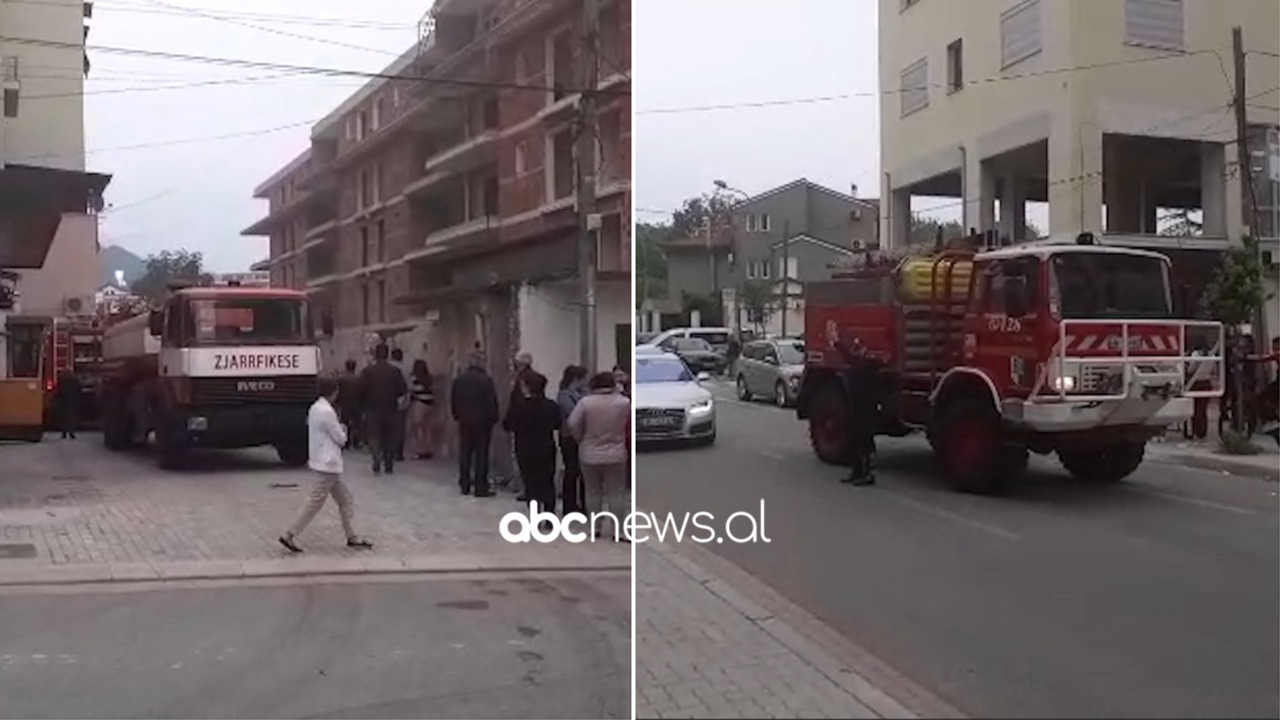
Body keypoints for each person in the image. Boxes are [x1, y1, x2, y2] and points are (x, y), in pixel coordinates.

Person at [278, 377, 373, 553]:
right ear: (334, 392)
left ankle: (352, 536)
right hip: (328, 464)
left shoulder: (315, 408)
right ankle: (290, 534)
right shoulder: (328, 412)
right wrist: (343, 428)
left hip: (322, 462)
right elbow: (341, 439)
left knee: (345, 499)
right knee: (315, 503)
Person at [567, 372, 631, 541]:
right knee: (616, 492)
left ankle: (595, 527)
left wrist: (580, 438)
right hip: (616, 451)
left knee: (593, 491)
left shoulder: (585, 403)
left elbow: (573, 423)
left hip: (589, 451)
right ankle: (619, 530)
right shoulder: (623, 402)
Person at [502, 371, 561, 520]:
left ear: (527, 387)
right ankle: (549, 516)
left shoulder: (519, 406)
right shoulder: (551, 405)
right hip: (546, 447)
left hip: (525, 447)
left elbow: (507, 425)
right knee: (547, 482)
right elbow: (557, 424)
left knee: (530, 483)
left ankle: (535, 515)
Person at [833, 330, 880, 486]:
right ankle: (856, 472)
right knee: (854, 441)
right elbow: (849, 359)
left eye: (859, 348)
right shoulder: (858, 364)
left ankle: (867, 474)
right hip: (855, 408)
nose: (857, 351)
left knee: (864, 442)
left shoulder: (868, 365)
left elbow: (851, 359)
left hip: (865, 410)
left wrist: (838, 344)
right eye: (856, 348)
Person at [451, 350, 499, 497]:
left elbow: (453, 401)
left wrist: (458, 416)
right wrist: (493, 418)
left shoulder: (459, 380)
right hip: (483, 423)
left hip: (464, 421)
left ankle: (464, 484)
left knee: (465, 452)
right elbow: (492, 403)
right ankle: (480, 486)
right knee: (481, 454)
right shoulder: (485, 380)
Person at [359, 343, 408, 475]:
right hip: (390, 408)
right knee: (389, 436)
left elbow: (361, 390)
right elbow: (403, 389)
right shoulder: (394, 371)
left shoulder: (367, 371)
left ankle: (376, 457)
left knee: (374, 435)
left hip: (372, 408)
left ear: (375, 354)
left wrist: (363, 405)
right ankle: (388, 464)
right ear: (387, 354)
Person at [556, 365, 589, 515]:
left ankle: (583, 503)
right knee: (572, 470)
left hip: (582, 436)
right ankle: (569, 504)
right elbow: (572, 413)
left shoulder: (580, 393)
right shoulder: (564, 395)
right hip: (568, 436)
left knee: (583, 471)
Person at [507, 351, 534, 499]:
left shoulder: (525, 379)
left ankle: (526, 488)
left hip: (523, 425)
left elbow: (517, 402)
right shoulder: (523, 377)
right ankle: (526, 487)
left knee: (524, 458)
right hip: (524, 424)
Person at [407, 359, 436, 459]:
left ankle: (420, 450)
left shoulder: (414, 378)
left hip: (420, 403)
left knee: (418, 427)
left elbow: (413, 390)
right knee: (427, 428)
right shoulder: (429, 377)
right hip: (430, 404)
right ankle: (428, 449)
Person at [389, 347, 411, 462]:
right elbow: (408, 386)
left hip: (387, 402)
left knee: (388, 427)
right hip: (402, 402)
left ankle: (388, 451)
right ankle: (398, 452)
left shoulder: (388, 367)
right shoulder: (406, 368)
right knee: (400, 428)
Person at [337, 359, 363, 449]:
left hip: (345, 403)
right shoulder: (359, 379)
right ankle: (356, 442)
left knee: (345, 423)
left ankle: (346, 442)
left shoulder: (341, 379)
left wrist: (337, 403)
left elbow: (338, 391)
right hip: (357, 403)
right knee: (357, 423)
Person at [53, 370, 82, 440]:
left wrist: (57, 400)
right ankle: (71, 432)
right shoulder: (75, 380)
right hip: (72, 401)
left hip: (64, 401)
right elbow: (79, 389)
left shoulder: (62, 380)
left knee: (64, 418)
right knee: (72, 417)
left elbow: (58, 390)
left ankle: (64, 433)